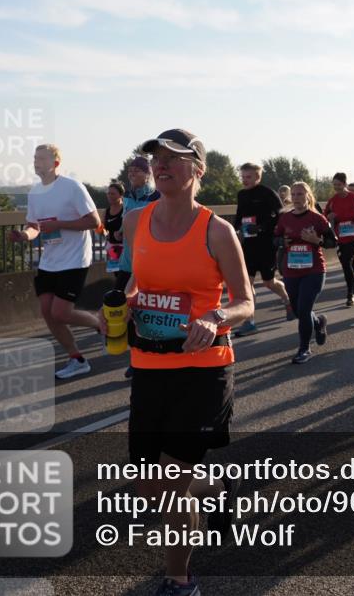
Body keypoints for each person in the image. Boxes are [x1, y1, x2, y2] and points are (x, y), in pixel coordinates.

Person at [99, 128, 253, 595]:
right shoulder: (135, 221)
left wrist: (215, 316)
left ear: (198, 170)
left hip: (204, 369)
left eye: (173, 157)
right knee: (150, 489)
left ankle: (180, 582)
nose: (161, 164)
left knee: (169, 485)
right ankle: (216, 488)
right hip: (149, 367)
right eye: (156, 158)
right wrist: (125, 305)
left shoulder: (217, 230)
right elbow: (136, 281)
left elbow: (245, 302)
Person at [9, 144, 102, 380]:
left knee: (60, 313)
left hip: (74, 259)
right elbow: (34, 226)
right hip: (49, 261)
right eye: (35, 158)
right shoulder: (34, 192)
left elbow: (93, 221)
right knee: (47, 311)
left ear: (56, 163)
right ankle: (76, 359)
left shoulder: (72, 187)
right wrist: (24, 235)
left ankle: (99, 323)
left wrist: (60, 224)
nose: (36, 162)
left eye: (42, 158)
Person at [275, 181, 336, 364]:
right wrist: (282, 242)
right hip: (291, 271)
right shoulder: (285, 218)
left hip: (314, 270)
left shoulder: (317, 218)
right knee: (298, 310)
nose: (296, 198)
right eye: (293, 194)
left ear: (308, 196)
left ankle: (304, 349)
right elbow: (274, 239)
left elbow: (333, 242)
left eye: (300, 194)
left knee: (304, 308)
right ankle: (318, 322)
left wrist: (317, 240)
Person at [233, 163, 294, 336]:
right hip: (248, 245)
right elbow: (239, 216)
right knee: (247, 282)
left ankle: (287, 300)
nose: (245, 180)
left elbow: (281, 215)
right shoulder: (241, 194)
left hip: (266, 245)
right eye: (243, 177)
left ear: (258, 177)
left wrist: (261, 227)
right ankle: (249, 322)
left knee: (269, 282)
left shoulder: (267, 193)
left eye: (248, 177)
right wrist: (235, 230)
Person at [116, 156, 162, 378]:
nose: (132, 173)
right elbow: (127, 222)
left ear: (148, 173)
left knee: (144, 314)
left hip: (147, 264)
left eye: (137, 170)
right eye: (130, 170)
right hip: (127, 262)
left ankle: (144, 358)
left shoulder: (156, 196)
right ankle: (138, 356)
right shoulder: (127, 197)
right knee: (122, 308)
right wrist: (120, 231)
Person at [324, 172, 354, 307]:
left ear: (345, 184)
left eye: (339, 185)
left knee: (346, 261)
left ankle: (350, 295)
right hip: (340, 237)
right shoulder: (332, 201)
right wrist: (329, 216)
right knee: (346, 264)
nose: (336, 187)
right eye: (334, 185)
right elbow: (325, 215)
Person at [103, 181, 125, 275]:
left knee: (124, 275)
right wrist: (104, 233)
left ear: (121, 195)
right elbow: (103, 228)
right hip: (112, 249)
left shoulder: (126, 209)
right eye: (108, 193)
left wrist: (122, 234)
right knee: (116, 275)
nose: (110, 196)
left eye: (113, 194)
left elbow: (132, 227)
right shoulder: (107, 211)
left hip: (125, 248)